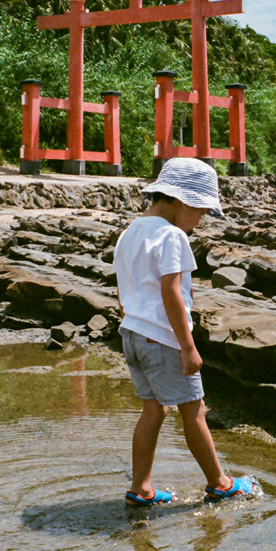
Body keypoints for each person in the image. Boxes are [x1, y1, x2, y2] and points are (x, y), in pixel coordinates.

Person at [113, 157, 255, 506]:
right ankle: (220, 483)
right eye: (202, 212)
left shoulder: (131, 231)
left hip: (131, 333)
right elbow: (171, 292)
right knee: (194, 410)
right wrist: (188, 346)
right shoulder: (172, 235)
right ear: (182, 201)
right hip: (163, 339)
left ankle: (141, 488)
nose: (200, 220)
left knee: (154, 410)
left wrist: (131, 319)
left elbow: (124, 285)